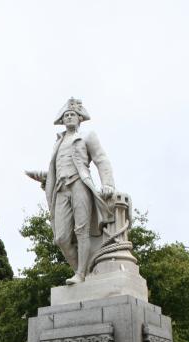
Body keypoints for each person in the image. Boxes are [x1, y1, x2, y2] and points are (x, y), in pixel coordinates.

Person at [43, 98, 115, 284]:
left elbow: (101, 160)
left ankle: (81, 274)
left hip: (79, 184)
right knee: (61, 238)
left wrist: (108, 184)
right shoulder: (58, 142)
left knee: (81, 230)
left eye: (72, 114)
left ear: (79, 118)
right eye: (66, 115)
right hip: (60, 189)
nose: (69, 117)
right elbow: (55, 169)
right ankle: (83, 269)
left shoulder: (87, 136)